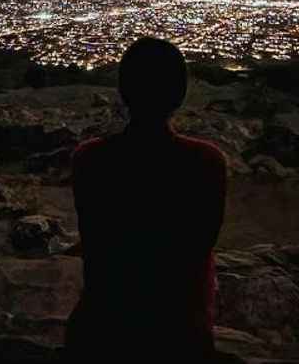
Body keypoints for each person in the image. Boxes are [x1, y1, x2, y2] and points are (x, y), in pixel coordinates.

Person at [64, 37, 228, 362]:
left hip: (102, 330)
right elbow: (200, 247)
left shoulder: (89, 159)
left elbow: (99, 245)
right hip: (180, 333)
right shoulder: (206, 162)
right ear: (179, 94)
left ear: (124, 91)